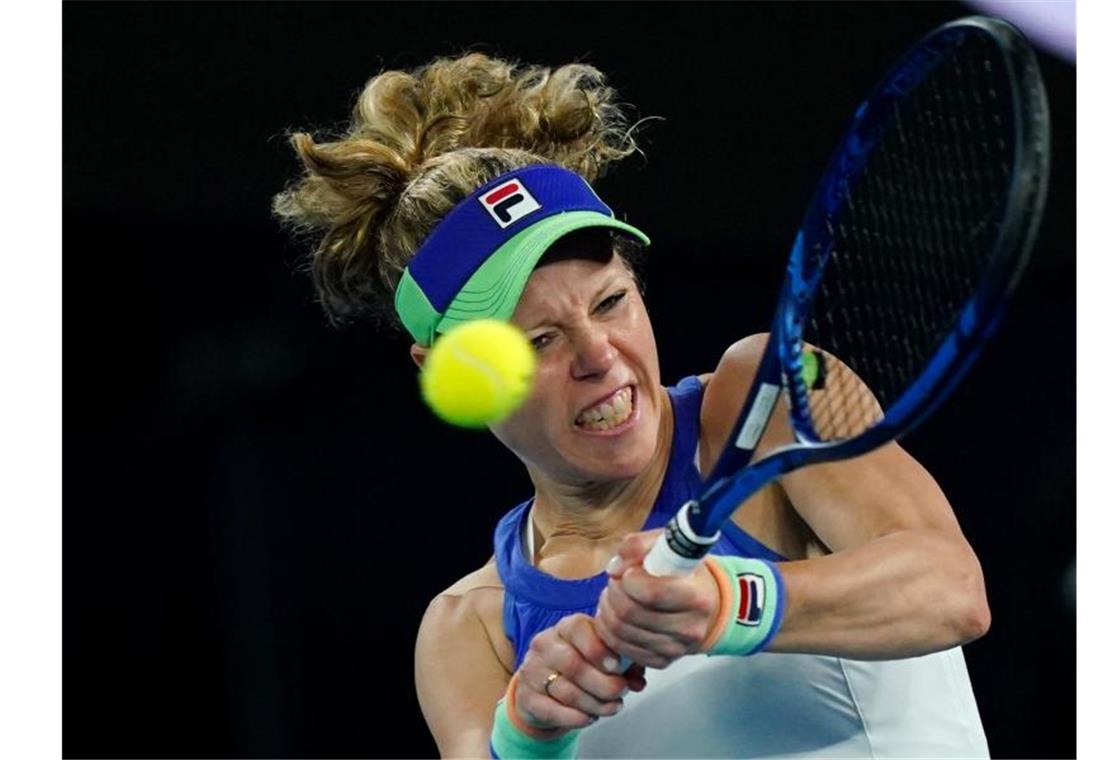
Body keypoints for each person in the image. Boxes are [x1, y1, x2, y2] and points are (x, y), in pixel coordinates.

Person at [273, 54, 992, 759]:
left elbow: (950, 587)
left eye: (611, 302)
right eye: (541, 340)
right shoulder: (471, 630)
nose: (599, 357)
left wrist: (728, 600)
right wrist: (529, 732)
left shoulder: (763, 398)